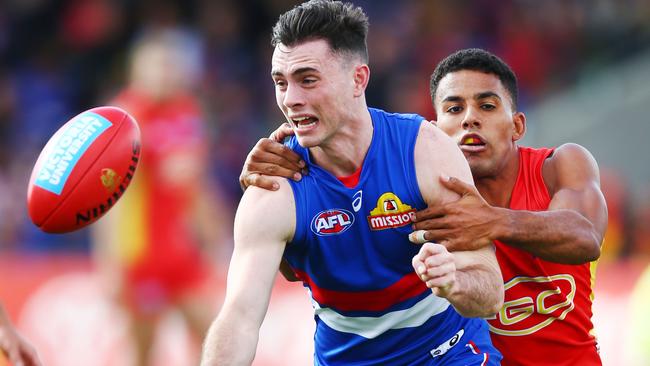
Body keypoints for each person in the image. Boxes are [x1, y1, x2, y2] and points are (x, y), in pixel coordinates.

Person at [239, 48, 608, 365]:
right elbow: (296, 266)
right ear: (434, 129)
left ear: (517, 125)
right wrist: (272, 187)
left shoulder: (558, 166)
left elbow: (586, 237)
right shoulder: (410, 194)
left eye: (487, 105)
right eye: (453, 108)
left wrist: (491, 222)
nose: (469, 118)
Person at [201, 2, 504, 365]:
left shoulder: (426, 152)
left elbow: (490, 291)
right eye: (281, 83)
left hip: (449, 353)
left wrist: (456, 280)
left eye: (307, 80)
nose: (291, 100)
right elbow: (239, 317)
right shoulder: (275, 187)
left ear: (358, 79)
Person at [92, 29, 227, 366]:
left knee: (214, 336)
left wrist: (215, 234)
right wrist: (109, 261)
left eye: (170, 65)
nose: (165, 73)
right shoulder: (123, 119)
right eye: (156, 65)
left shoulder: (187, 112)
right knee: (143, 350)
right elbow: (109, 198)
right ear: (136, 70)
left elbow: (196, 182)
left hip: (181, 252)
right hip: (140, 254)